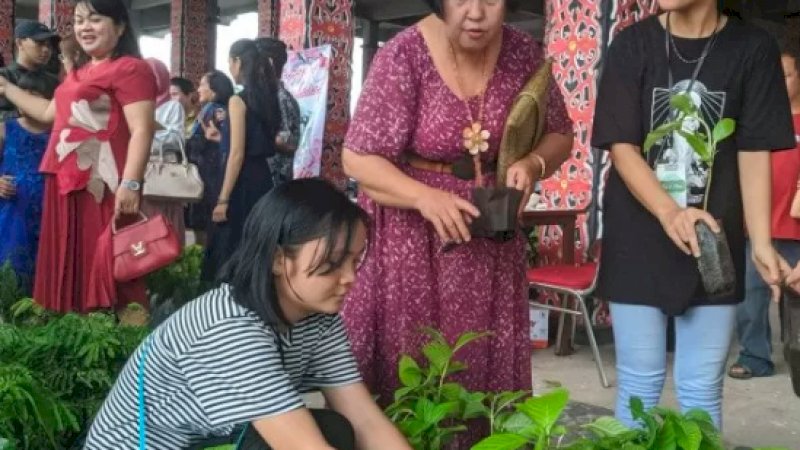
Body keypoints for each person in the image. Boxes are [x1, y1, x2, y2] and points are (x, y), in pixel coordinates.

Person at [341, 0, 574, 446]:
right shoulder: (403, 55)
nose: (476, 13)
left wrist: (534, 162)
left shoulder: (524, 54)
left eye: (491, 0)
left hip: (491, 241)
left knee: (485, 373)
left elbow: (560, 133)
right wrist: (424, 197)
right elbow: (358, 157)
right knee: (412, 370)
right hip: (411, 245)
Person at [85, 178, 411, 450]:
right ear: (278, 259)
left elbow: (364, 418)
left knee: (335, 427)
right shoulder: (229, 329)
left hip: (211, 442)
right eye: (333, 263)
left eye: (355, 261)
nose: (350, 278)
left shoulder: (319, 320)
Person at [591, 0, 795, 429]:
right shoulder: (632, 44)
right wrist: (669, 212)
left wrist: (760, 241)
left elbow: (753, 150)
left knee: (701, 387)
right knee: (640, 383)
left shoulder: (752, 49)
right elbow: (622, 146)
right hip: (637, 236)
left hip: (713, 240)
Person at [0, 0, 156, 313]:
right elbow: (47, 112)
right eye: (79, 20)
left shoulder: (131, 68)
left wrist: (132, 183)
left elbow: (142, 129)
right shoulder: (80, 73)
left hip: (102, 184)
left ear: (121, 26)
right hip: (64, 182)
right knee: (69, 265)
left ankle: (119, 345)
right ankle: (73, 338)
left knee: (111, 265)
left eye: (95, 19)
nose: (84, 27)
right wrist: (5, 86)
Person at [729, 27, 800, 380]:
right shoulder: (757, 120)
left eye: (785, 75)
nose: (778, 82)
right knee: (750, 298)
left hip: (795, 225)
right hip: (759, 224)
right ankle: (755, 356)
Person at [201, 39, 280, 281]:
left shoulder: (238, 101)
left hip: (240, 181)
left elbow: (237, 154)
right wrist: (219, 138)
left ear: (237, 62)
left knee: (228, 249)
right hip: (263, 180)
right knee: (253, 247)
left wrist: (223, 199)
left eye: (229, 61)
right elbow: (259, 142)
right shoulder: (268, 98)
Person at [0, 74, 57, 292]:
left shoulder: (59, 133)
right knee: (12, 263)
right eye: (23, 94)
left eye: (34, 96)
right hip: (13, 210)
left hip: (50, 210)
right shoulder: (6, 128)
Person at [184, 70, 234, 246]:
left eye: (202, 84)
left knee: (204, 224)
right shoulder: (226, 110)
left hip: (208, 174)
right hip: (221, 172)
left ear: (214, 89)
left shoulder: (211, 110)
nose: (198, 89)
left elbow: (197, 144)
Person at [255, 37, 301, 187]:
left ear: (268, 63)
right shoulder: (264, 96)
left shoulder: (280, 98)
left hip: (273, 183)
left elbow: (290, 142)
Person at [0, 20, 59, 122]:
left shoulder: (54, 82)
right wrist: (21, 113)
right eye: (39, 43)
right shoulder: (4, 77)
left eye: (49, 45)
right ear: (19, 43)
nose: (46, 49)